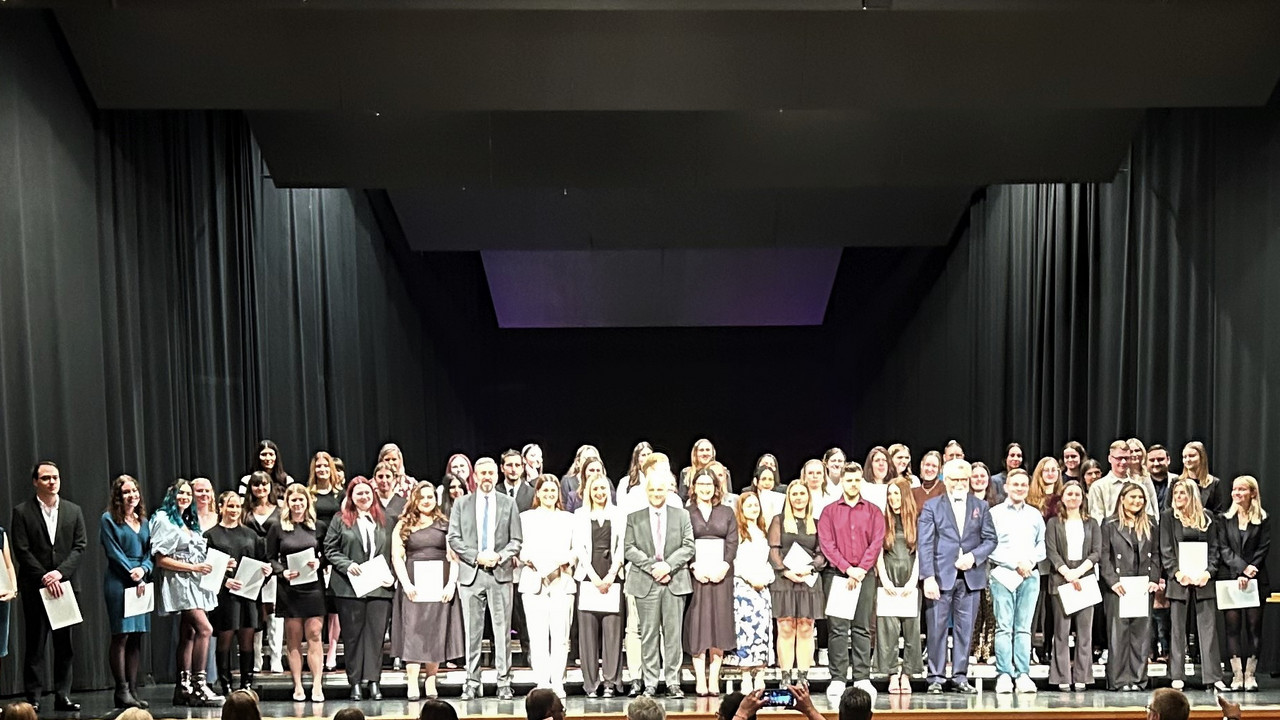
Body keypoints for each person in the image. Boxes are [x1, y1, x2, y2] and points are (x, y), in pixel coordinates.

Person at [11, 461, 87, 713]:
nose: (52, 482)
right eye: (45, 478)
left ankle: (62, 695)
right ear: (35, 482)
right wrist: (44, 576)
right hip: (36, 587)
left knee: (64, 644)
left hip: (64, 587)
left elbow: (79, 546)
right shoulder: (22, 512)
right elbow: (21, 549)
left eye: (55, 477)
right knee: (35, 643)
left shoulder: (73, 510)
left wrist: (59, 573)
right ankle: (33, 697)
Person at [447, 456, 523, 700]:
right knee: (473, 631)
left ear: (497, 475)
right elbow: (454, 538)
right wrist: (477, 557)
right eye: (483, 473)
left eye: (491, 473)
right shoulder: (461, 503)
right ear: (475, 477)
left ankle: (503, 682)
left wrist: (499, 556)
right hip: (472, 573)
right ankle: (472, 680)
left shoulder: (508, 503)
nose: (487, 477)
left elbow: (516, 541)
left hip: (499, 573)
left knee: (502, 632)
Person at [918, 459, 997, 695]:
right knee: (937, 629)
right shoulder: (933, 506)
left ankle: (960, 676)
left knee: (965, 630)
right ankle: (936, 677)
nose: (960, 483)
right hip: (941, 577)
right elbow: (925, 543)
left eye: (964, 479)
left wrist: (974, 557)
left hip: (970, 578)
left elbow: (991, 540)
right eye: (955, 479)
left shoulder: (980, 507)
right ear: (945, 479)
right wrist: (928, 577)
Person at [624, 459, 695, 698]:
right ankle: (651, 682)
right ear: (647, 492)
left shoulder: (681, 515)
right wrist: (654, 567)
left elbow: (688, 546)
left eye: (660, 489)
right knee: (649, 635)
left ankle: (673, 681)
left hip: (674, 581)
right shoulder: (635, 517)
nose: (656, 494)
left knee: (673, 635)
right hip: (646, 581)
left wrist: (668, 566)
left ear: (668, 491)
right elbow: (629, 548)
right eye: (652, 490)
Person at [151, 479, 222, 706]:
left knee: (189, 633)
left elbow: (195, 553)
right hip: (179, 582)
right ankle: (200, 685)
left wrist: (220, 564)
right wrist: (193, 568)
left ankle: (183, 688)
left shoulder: (186, 520)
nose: (184, 497)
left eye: (187, 493)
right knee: (205, 629)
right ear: (171, 495)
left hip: (194, 582)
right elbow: (161, 559)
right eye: (180, 493)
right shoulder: (163, 519)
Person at [392, 481, 464, 700]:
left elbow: (454, 557)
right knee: (413, 631)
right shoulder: (403, 524)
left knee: (435, 630)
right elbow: (397, 556)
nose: (426, 501)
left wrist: (451, 583)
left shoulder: (445, 524)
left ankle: (431, 678)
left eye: (430, 497)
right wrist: (406, 584)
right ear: (415, 499)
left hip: (439, 584)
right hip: (414, 584)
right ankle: (412, 681)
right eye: (422, 497)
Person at [817, 462, 884, 698]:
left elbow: (876, 543)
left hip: (864, 576)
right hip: (837, 575)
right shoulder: (829, 512)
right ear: (842, 482)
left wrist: (861, 569)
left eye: (856, 480)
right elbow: (827, 545)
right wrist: (847, 568)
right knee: (837, 628)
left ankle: (862, 677)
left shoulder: (874, 511)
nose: (853, 484)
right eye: (849, 480)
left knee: (862, 627)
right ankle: (837, 677)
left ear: (860, 482)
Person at [325, 476, 395, 700]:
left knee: (376, 637)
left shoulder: (384, 520)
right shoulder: (340, 520)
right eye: (359, 494)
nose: (364, 497)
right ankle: (354, 682)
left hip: (379, 588)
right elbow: (330, 548)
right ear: (351, 497)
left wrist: (391, 576)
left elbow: (393, 552)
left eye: (367, 493)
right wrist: (348, 565)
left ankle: (374, 681)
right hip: (349, 588)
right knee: (353, 637)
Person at [1161, 478, 1225, 691]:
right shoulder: (1168, 518)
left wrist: (1209, 572)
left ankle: (1213, 676)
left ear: (1192, 495)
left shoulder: (1207, 518)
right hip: (1179, 580)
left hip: (1203, 580)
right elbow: (1166, 549)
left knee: (1208, 629)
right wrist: (1176, 573)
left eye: (1183, 493)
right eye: (1176, 493)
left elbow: (1215, 548)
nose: (1178, 497)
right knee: (1177, 629)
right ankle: (1177, 675)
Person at [206, 491, 270, 695]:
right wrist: (225, 581)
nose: (233, 510)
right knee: (225, 636)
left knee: (247, 636)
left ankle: (246, 683)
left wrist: (265, 572)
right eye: (230, 506)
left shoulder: (251, 535)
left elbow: (262, 561)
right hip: (225, 595)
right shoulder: (211, 535)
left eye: (237, 506)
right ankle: (224, 683)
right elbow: (207, 568)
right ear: (221, 507)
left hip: (248, 594)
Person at [988, 468, 1046, 694]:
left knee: (1023, 629)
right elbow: (990, 545)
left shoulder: (1034, 514)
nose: (1020, 488)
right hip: (1003, 575)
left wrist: (1029, 562)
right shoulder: (995, 514)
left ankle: (1022, 674)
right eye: (1015, 484)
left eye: (1024, 484)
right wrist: (1015, 564)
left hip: (1029, 576)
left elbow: (1041, 545)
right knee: (1004, 627)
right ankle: (1004, 673)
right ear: (1006, 487)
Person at [518, 475, 576, 697]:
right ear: (538, 493)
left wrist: (560, 562)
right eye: (545, 491)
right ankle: (542, 681)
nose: (549, 495)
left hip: (561, 581)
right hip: (534, 580)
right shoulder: (526, 518)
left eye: (553, 491)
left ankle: (557, 682)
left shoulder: (568, 519)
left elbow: (576, 549)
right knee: (538, 635)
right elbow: (520, 547)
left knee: (560, 636)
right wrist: (536, 562)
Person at [267, 483, 326, 702]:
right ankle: (298, 686)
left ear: (307, 502)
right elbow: (270, 557)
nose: (298, 504)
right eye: (294, 500)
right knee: (293, 638)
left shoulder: (317, 527)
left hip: (313, 588)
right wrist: (282, 572)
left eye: (301, 500)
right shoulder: (277, 528)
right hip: (289, 589)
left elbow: (326, 554)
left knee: (315, 634)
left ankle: (318, 685)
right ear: (288, 503)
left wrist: (319, 562)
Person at [1100, 481, 1161, 691]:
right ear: (1122, 499)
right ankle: (1119, 680)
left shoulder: (1151, 523)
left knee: (1141, 635)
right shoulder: (1110, 524)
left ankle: (1137, 679)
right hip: (1119, 586)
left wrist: (1154, 578)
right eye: (1132, 497)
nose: (1137, 501)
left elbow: (1157, 555)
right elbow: (1104, 556)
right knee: (1118, 634)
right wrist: (1112, 581)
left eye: (1140, 498)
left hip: (1142, 585)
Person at [685, 467, 739, 696]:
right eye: (701, 485)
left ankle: (714, 678)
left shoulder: (726, 512)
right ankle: (700, 678)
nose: (705, 489)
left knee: (718, 624)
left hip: (721, 576)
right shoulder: (686, 512)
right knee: (699, 624)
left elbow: (732, 542)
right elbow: (682, 541)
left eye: (709, 485)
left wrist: (724, 566)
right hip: (697, 575)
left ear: (716, 488)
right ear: (694, 488)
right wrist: (693, 566)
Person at [101, 475, 152, 709]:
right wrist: (132, 573)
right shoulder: (109, 519)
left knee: (137, 636)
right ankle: (120, 690)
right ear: (118, 496)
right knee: (121, 635)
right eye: (126, 492)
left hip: (141, 580)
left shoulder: (144, 520)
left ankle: (133, 689)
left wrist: (143, 570)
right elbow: (113, 551)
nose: (132, 495)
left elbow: (151, 552)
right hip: (119, 580)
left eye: (135, 491)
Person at [573, 472, 626, 698]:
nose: (600, 493)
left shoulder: (618, 514)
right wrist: (594, 577)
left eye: (603, 489)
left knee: (613, 634)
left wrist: (612, 573)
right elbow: (579, 548)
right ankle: (591, 684)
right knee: (587, 635)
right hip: (588, 577)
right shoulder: (580, 514)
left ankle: (611, 682)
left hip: (613, 577)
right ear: (589, 491)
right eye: (595, 489)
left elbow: (622, 546)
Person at [1045, 480, 1100, 691]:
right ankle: (1061, 677)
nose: (1073, 498)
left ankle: (1082, 676)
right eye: (1069, 494)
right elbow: (1051, 551)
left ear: (1082, 498)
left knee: (1085, 633)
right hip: (1061, 579)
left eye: (1077, 494)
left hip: (1084, 578)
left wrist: (1079, 572)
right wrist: (1067, 572)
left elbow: (1096, 551)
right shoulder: (1053, 523)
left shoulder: (1092, 523)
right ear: (1062, 497)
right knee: (1061, 631)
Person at [769, 480, 826, 685]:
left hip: (808, 580)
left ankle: (802, 676)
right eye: (794, 494)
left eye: (802, 493)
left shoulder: (817, 523)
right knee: (785, 627)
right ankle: (786, 676)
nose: (798, 497)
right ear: (788, 497)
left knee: (805, 627)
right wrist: (786, 571)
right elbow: (773, 550)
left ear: (808, 497)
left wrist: (809, 567)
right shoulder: (779, 520)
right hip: (785, 580)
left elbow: (822, 554)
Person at [1218, 475, 1269, 691]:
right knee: (1232, 629)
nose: (1237, 493)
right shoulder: (1224, 518)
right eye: (1234, 489)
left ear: (1252, 493)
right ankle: (1237, 675)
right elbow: (1223, 548)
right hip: (1230, 579)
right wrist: (1241, 569)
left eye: (1242, 490)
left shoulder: (1263, 519)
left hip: (1255, 580)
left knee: (1253, 628)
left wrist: (1250, 571)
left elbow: (1263, 547)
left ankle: (1250, 674)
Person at [875, 477, 921, 693]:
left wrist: (914, 580)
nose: (893, 498)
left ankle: (907, 675)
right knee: (888, 629)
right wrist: (884, 579)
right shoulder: (882, 520)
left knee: (912, 629)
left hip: (910, 577)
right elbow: (878, 552)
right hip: (888, 577)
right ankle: (892, 673)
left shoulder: (917, 520)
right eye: (890, 494)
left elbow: (922, 551)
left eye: (896, 493)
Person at [730, 489, 775, 692]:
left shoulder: (763, 530)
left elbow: (767, 561)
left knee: (763, 630)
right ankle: (746, 673)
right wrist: (750, 579)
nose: (753, 508)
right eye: (749, 505)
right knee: (745, 631)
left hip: (762, 587)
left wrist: (765, 578)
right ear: (741, 509)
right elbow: (735, 561)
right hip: (743, 586)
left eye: (756, 505)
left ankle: (761, 672)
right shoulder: (738, 532)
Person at [307, 451, 344, 672]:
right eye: (318, 466)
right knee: (319, 602)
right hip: (314, 550)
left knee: (335, 606)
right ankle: (317, 649)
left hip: (336, 549)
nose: (322, 469)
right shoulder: (309, 494)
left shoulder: (340, 494)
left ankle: (332, 649)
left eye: (325, 466)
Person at [243, 471, 283, 674]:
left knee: (274, 614)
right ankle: (256, 659)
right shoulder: (245, 511)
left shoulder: (280, 509)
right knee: (255, 615)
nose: (261, 489)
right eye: (256, 485)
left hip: (274, 566)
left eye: (264, 484)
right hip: (251, 566)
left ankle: (276, 658)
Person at [968, 462, 998, 663]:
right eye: (975, 476)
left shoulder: (997, 505)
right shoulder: (965, 504)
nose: (979, 479)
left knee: (991, 607)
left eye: (982, 476)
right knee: (974, 608)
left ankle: (989, 650)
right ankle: (972, 650)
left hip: (992, 562)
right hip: (970, 561)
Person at [1089, 440, 1159, 520]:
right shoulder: (1098, 487)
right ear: (1110, 458)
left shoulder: (1140, 487)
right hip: (1108, 531)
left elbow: (1148, 517)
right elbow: (1097, 519)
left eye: (1126, 458)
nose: (1123, 462)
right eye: (1119, 458)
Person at [1180, 441, 1228, 516]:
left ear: (1202, 457)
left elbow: (1218, 513)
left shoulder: (1214, 483)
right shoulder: (1177, 481)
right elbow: (1169, 511)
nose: (1187, 460)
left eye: (1192, 456)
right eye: (1184, 457)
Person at [615, 441, 655, 513]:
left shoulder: (662, 478)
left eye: (649, 454)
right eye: (643, 455)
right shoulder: (625, 482)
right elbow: (620, 509)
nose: (647, 458)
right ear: (637, 459)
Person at [373, 460, 408, 530]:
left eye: (388, 476)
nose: (384, 480)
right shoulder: (370, 502)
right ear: (374, 479)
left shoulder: (404, 504)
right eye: (380, 476)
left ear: (394, 479)